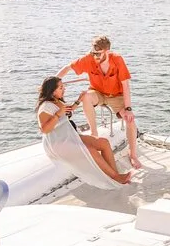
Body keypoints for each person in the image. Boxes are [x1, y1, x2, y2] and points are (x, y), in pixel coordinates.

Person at [57, 35, 141, 169]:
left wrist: (128, 109)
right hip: (98, 93)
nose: (95, 56)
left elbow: (126, 85)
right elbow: (68, 68)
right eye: (93, 52)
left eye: (98, 53)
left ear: (107, 51)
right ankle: (94, 135)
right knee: (86, 96)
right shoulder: (89, 58)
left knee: (130, 120)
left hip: (116, 96)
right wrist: (50, 84)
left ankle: (133, 155)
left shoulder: (117, 59)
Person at [37, 76, 131, 185]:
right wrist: (58, 114)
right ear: (52, 91)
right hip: (57, 143)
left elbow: (68, 111)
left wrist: (79, 100)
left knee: (104, 142)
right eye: (61, 87)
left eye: (63, 86)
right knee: (90, 150)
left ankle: (115, 175)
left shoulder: (57, 101)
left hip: (69, 136)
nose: (64, 89)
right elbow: (45, 130)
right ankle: (115, 177)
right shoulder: (45, 107)